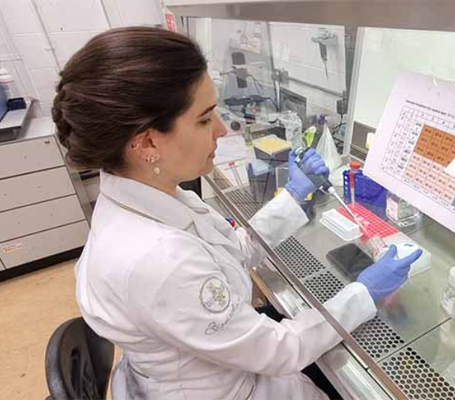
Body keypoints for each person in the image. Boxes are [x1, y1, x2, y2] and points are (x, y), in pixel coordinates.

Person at [54, 27, 422, 400]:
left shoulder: (141, 194)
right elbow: (283, 350)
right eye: (203, 119)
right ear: (147, 142)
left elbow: (226, 250)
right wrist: (365, 292)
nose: (222, 129)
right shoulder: (158, 259)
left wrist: (293, 196)